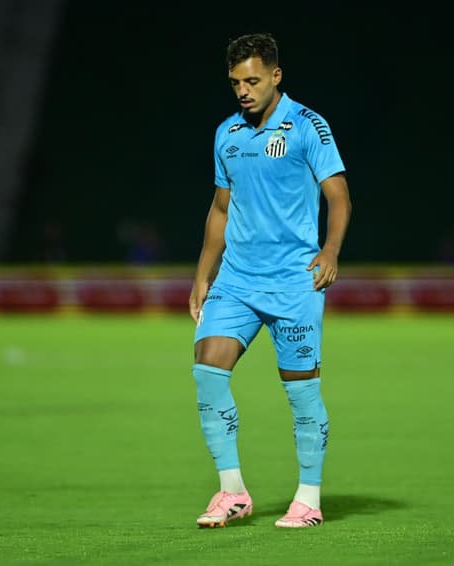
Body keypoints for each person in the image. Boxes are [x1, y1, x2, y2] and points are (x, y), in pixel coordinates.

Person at [188, 32, 352, 528]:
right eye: (236, 81)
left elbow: (339, 196)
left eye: (253, 80)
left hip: (293, 282)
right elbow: (221, 208)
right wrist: (202, 276)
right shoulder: (227, 134)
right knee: (207, 368)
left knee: (301, 393)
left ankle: (308, 498)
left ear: (276, 76)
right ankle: (232, 491)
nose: (243, 90)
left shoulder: (308, 126)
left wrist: (330, 250)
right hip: (236, 279)